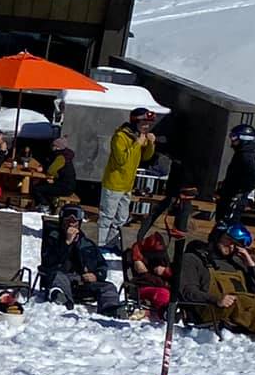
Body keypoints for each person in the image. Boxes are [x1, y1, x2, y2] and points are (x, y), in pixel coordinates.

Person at [98, 107, 157, 249]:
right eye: (144, 123)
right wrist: (137, 144)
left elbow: (146, 157)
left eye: (148, 124)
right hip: (114, 183)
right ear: (135, 122)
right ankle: (100, 244)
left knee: (122, 217)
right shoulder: (121, 136)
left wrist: (150, 144)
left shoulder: (138, 137)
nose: (146, 126)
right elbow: (121, 160)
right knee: (107, 216)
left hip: (127, 185)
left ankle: (111, 243)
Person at [39, 205, 119, 309]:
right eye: (67, 218)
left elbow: (102, 265)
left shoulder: (87, 243)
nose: (71, 222)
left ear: (79, 222)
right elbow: (49, 261)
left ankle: (110, 309)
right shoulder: (52, 238)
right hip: (60, 278)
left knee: (108, 287)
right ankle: (61, 299)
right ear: (62, 220)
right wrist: (66, 243)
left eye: (75, 218)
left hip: (82, 283)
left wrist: (96, 275)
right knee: (58, 277)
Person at [215, 123, 255, 218]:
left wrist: (239, 192)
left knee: (225, 227)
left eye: (234, 137)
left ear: (243, 139)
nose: (231, 140)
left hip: (234, 200)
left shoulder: (246, 156)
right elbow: (236, 176)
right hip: (228, 197)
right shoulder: (241, 154)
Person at [126, 229, 176, 316]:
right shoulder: (139, 256)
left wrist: (165, 271)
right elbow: (134, 249)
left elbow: (176, 274)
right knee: (163, 294)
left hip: (163, 286)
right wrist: (137, 260)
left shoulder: (164, 259)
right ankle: (162, 313)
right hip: (143, 286)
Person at [31, 136, 78, 207]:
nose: (51, 147)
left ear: (58, 147)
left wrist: (43, 170)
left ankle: (45, 206)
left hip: (64, 187)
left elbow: (51, 170)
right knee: (41, 185)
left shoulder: (61, 158)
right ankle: (48, 204)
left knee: (37, 189)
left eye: (53, 145)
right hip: (66, 185)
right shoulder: (63, 155)